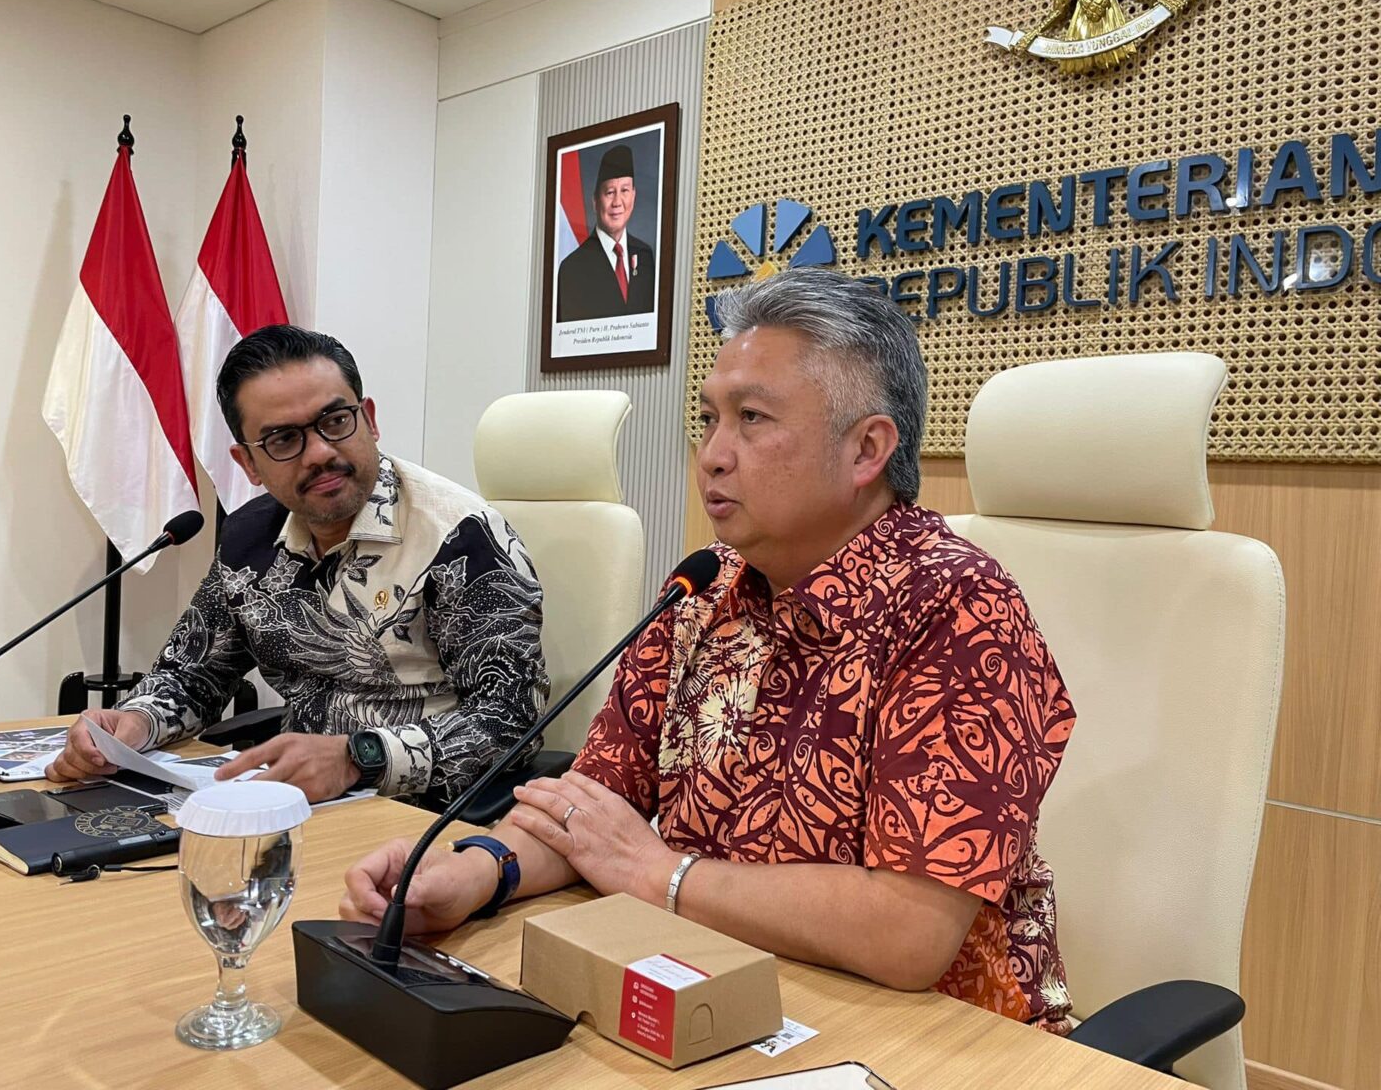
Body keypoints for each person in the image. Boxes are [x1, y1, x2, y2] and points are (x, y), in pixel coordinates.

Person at [342, 270, 1077, 1031]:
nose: (713, 455)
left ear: (866, 450)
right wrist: (471, 875)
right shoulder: (703, 587)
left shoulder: (955, 606)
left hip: (935, 1034)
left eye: (751, 418)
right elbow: (592, 808)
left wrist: (661, 874)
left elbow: (907, 933)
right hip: (720, 983)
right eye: (708, 419)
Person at [46, 326, 548, 804]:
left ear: (369, 420)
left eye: (336, 422)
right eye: (284, 440)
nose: (320, 453)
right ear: (248, 464)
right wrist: (134, 723)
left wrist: (359, 758)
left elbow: (511, 719)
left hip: (423, 813)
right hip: (289, 801)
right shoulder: (250, 539)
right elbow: (193, 675)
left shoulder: (461, 538)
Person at [555, 143, 656, 323]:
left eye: (624, 190)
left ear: (634, 195)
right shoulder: (572, 268)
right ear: (595, 201)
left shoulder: (645, 255)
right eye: (610, 192)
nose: (617, 202)